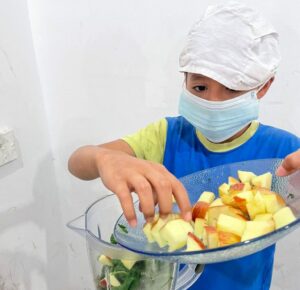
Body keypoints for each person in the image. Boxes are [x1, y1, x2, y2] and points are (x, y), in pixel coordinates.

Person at [68, 2, 300, 290]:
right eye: (200, 88)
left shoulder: (285, 152)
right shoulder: (167, 135)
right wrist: (103, 158)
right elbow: (77, 163)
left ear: (263, 86)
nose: (213, 102)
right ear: (185, 80)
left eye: (232, 89)